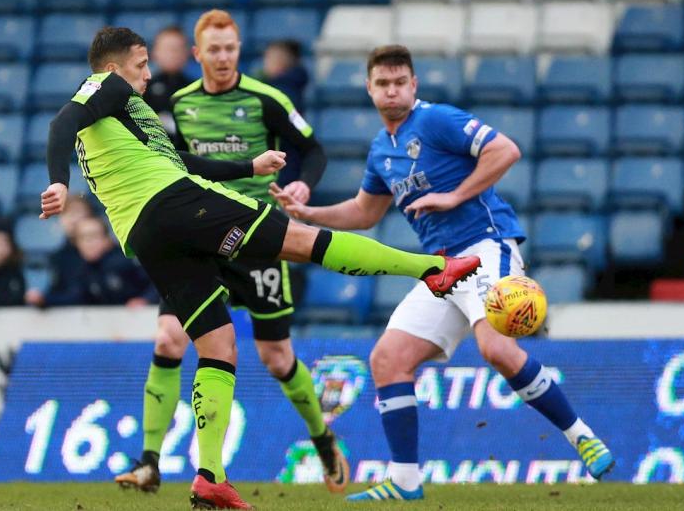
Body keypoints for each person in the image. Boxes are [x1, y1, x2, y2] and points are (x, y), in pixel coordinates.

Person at [39, 26, 479, 510]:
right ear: (112, 68)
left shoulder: (123, 118)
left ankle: (210, 476)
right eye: (140, 65)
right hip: (177, 205)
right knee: (301, 241)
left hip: (145, 234)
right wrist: (59, 182)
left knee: (218, 345)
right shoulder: (104, 86)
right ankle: (430, 268)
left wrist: (249, 167)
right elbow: (63, 121)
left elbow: (179, 161)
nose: (148, 74)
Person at [270, 45, 614, 502]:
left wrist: (454, 196)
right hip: (442, 267)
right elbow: (364, 212)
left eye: (400, 82)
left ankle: (581, 436)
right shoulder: (381, 149)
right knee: (387, 359)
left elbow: (505, 150)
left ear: (413, 85)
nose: (392, 91)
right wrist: (308, 213)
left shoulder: (435, 120)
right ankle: (405, 480)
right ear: (369, 89)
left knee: (496, 348)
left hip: (485, 246)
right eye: (383, 83)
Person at [116, 9, 345, 496]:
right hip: (198, 238)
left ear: (239, 50)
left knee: (277, 358)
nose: (223, 58)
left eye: (230, 49)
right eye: (214, 50)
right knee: (168, 340)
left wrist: (303, 184)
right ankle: (149, 462)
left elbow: (314, 150)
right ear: (197, 54)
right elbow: (175, 162)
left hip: (257, 240)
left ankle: (323, 438)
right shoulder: (179, 104)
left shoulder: (267, 99)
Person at [41, 216, 158, 306]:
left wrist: (145, 300)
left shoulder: (126, 260)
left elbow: (157, 283)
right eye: (83, 238)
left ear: (107, 239)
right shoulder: (82, 270)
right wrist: (44, 300)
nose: (89, 243)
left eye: (94, 236)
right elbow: (76, 297)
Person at [25, 194, 93, 308]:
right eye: (66, 213)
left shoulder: (103, 254)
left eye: (77, 213)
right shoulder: (60, 256)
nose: (73, 219)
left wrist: (45, 300)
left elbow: (82, 295)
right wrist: (42, 298)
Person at [259, 39, 310, 188]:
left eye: (268, 58)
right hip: (290, 163)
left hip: (280, 168)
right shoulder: (293, 90)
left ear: (279, 62)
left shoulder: (277, 94)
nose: (264, 63)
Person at [142, 26, 191, 137]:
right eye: (167, 49)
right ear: (155, 52)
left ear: (187, 52)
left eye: (177, 49)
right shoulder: (142, 89)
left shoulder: (196, 89)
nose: (172, 54)